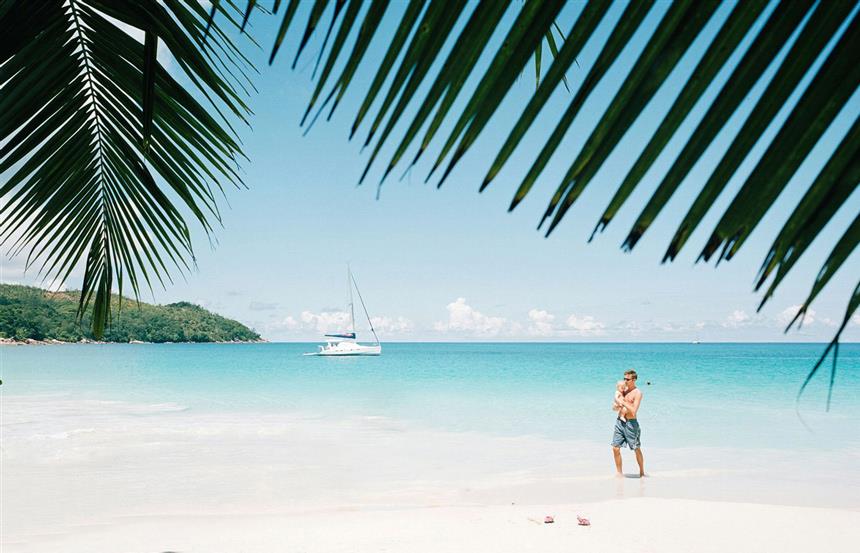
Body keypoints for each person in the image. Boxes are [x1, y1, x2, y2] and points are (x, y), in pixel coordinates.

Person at [611, 369, 645, 477]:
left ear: (634, 380)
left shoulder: (638, 393)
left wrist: (623, 402)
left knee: (636, 448)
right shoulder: (622, 390)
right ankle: (619, 473)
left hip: (631, 423)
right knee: (615, 448)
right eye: (624, 378)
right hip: (619, 421)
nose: (625, 381)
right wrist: (616, 406)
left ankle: (642, 472)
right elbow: (614, 408)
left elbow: (634, 411)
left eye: (627, 379)